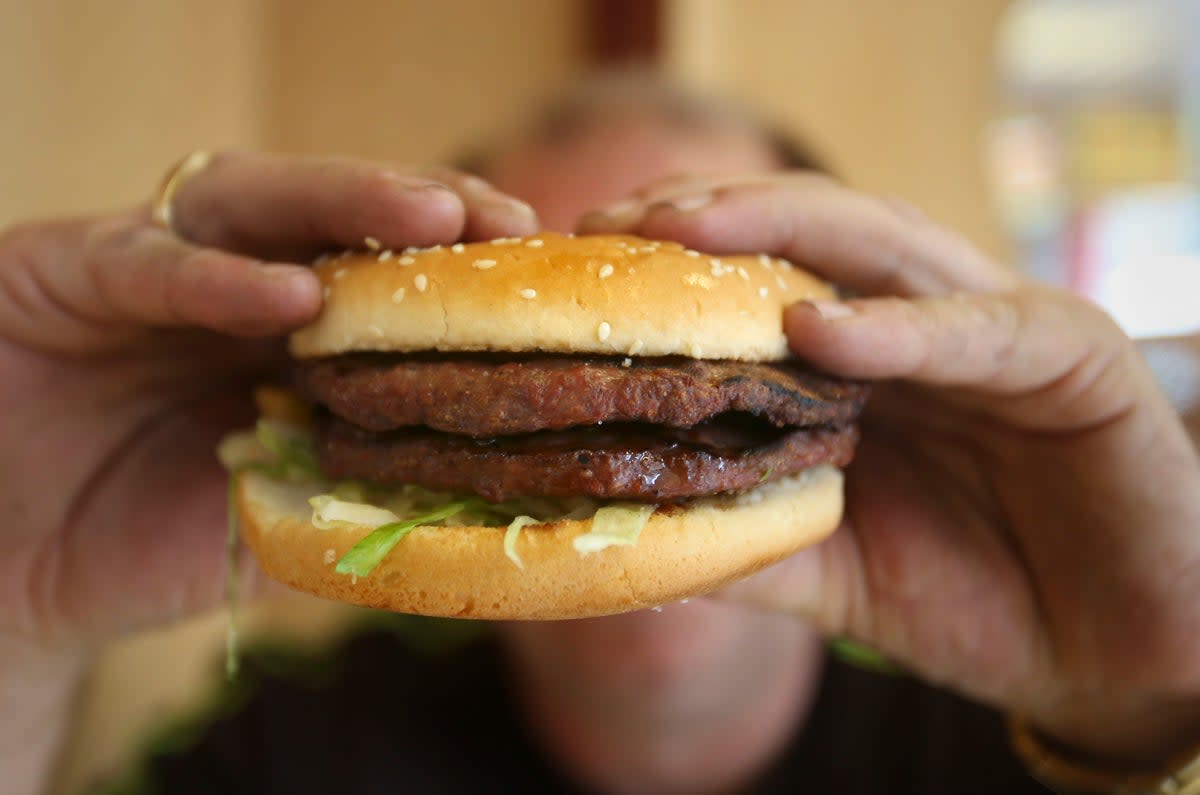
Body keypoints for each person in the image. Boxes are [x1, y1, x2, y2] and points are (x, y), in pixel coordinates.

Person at [3, 73, 1200, 795]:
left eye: (685, 267)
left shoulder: (1004, 746)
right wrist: (17, 618)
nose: (599, 380)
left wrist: (1154, 706)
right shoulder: (291, 753)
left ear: (861, 353)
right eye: (529, 268)